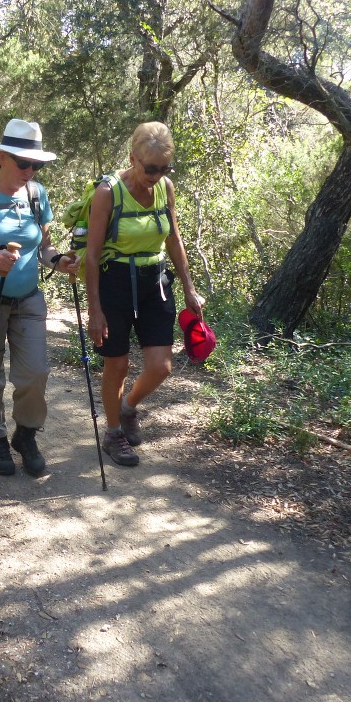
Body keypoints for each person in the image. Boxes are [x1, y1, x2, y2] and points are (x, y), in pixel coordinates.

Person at [0, 119, 77, 477]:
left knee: (35, 372)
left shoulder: (37, 194)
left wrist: (59, 261)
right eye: (23, 163)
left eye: (36, 164)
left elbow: (45, 247)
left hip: (28, 297)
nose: (30, 170)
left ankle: (25, 435)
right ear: (2, 157)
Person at [84, 121, 204, 467]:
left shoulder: (166, 187)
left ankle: (127, 408)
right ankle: (112, 433)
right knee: (117, 363)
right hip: (115, 281)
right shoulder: (108, 192)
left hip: (155, 281)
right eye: (151, 168)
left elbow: (174, 239)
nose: (157, 174)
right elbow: (92, 253)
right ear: (132, 158)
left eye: (164, 168)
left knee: (162, 366)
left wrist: (189, 288)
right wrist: (96, 309)